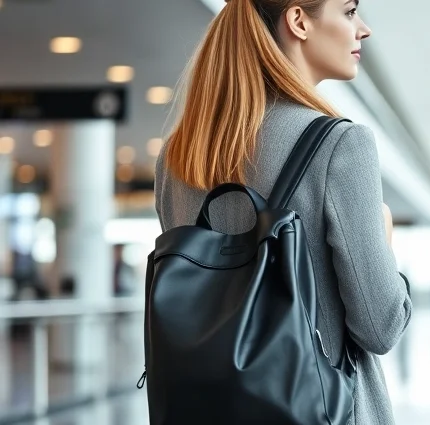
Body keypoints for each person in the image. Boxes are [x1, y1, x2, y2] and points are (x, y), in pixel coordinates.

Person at [153, 1, 412, 424]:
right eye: (349, 12)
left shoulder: (177, 159)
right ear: (298, 21)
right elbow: (380, 327)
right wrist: (383, 241)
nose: (363, 29)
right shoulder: (342, 145)